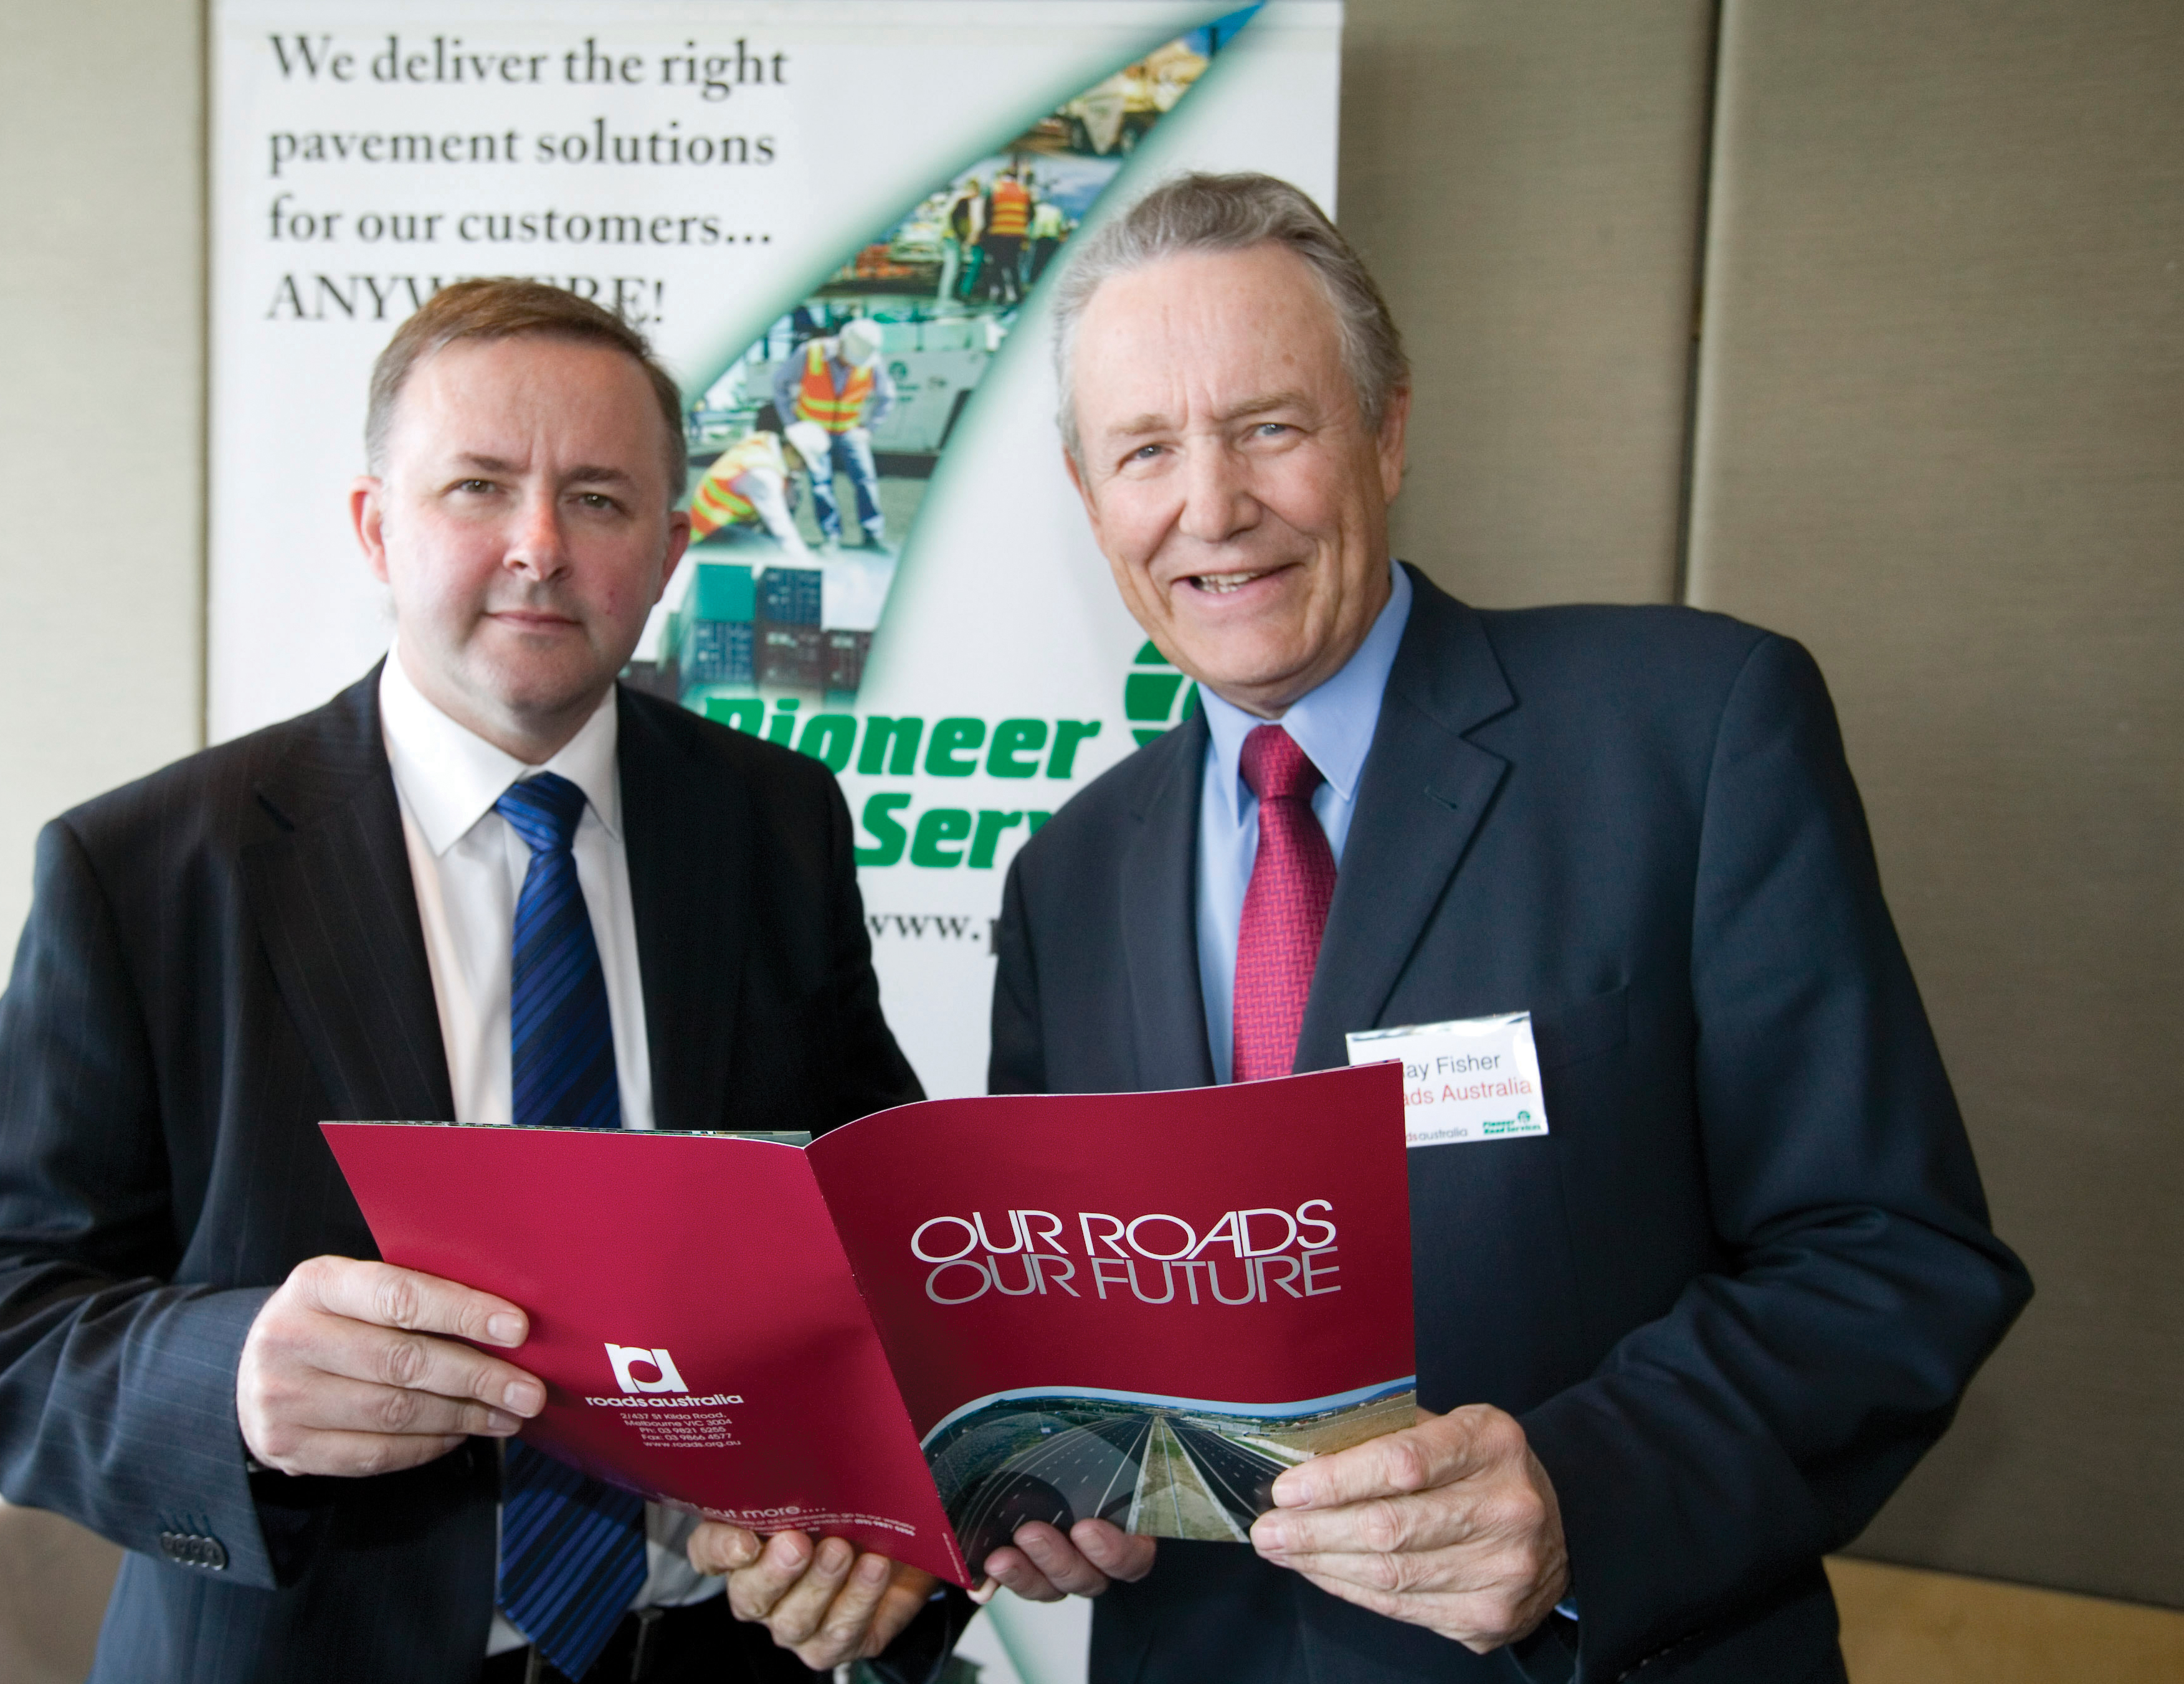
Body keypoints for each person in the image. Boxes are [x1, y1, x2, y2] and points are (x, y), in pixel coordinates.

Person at [700, 173, 2033, 1680]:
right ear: (1090, 501)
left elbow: (1888, 1255)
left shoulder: (1690, 732)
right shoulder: (1066, 876)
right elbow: (1065, 1354)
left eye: (1269, 425)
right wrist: (1035, 1498)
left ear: (1385, 429)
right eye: (1147, 450)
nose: (1212, 507)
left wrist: (1576, 1492)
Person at [0, 280, 954, 1684]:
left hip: (713, 1649)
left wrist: (877, 1506)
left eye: (597, 497)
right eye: (477, 488)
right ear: (376, 527)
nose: (537, 547)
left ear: (667, 548)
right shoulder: (151, 869)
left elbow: (875, 1243)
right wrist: (225, 1384)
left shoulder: (772, 827)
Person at [773, 318, 896, 551]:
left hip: (850, 430)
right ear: (841, 343)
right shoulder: (810, 353)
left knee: (865, 480)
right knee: (821, 484)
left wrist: (869, 429)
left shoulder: (871, 361)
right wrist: (792, 425)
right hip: (813, 431)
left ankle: (873, 534)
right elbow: (780, 383)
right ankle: (832, 536)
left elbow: (887, 396)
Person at [688, 403, 815, 564]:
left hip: (724, 524)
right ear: (791, 450)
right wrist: (806, 562)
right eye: (803, 464)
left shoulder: (765, 443)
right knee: (774, 554)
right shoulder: (763, 474)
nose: (802, 470)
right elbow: (780, 526)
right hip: (709, 532)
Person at [979, 167, 1035, 305]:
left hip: (998, 232)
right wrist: (1021, 225)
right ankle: (1017, 294)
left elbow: (987, 212)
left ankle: (1000, 293)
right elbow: (1032, 213)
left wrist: (985, 231)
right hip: (1017, 235)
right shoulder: (1023, 190)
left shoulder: (995, 188)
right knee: (1013, 265)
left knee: (998, 264)